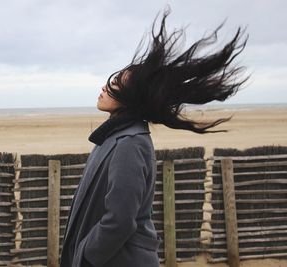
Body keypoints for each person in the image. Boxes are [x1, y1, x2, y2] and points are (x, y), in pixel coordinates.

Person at [60, 9, 248, 267]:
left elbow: (119, 220)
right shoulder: (115, 136)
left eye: (116, 84)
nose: (105, 86)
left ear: (131, 98)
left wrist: (86, 255)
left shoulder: (129, 144)